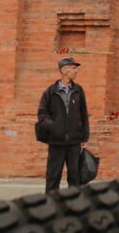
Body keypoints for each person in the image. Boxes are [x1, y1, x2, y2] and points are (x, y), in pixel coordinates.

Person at [36, 57, 90, 193]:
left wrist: (85, 137)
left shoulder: (78, 90)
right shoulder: (50, 91)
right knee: (53, 176)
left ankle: (75, 204)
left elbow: (83, 114)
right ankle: (51, 204)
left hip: (74, 142)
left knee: (75, 177)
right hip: (56, 142)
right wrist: (54, 126)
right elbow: (42, 114)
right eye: (73, 68)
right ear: (64, 70)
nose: (76, 71)